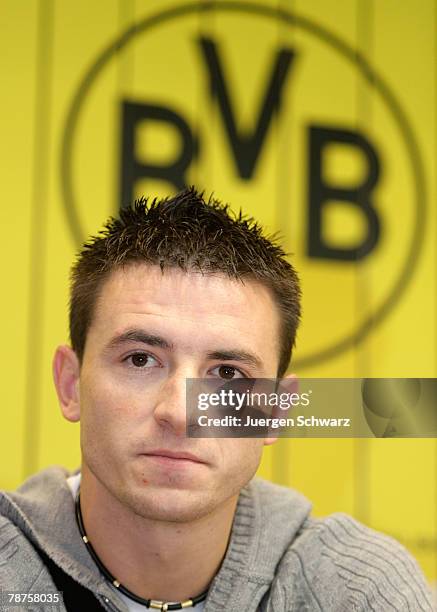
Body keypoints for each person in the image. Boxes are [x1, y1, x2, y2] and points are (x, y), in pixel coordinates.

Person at [0, 188, 433, 612]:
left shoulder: (359, 591)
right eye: (140, 359)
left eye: (228, 373)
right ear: (70, 383)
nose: (180, 412)